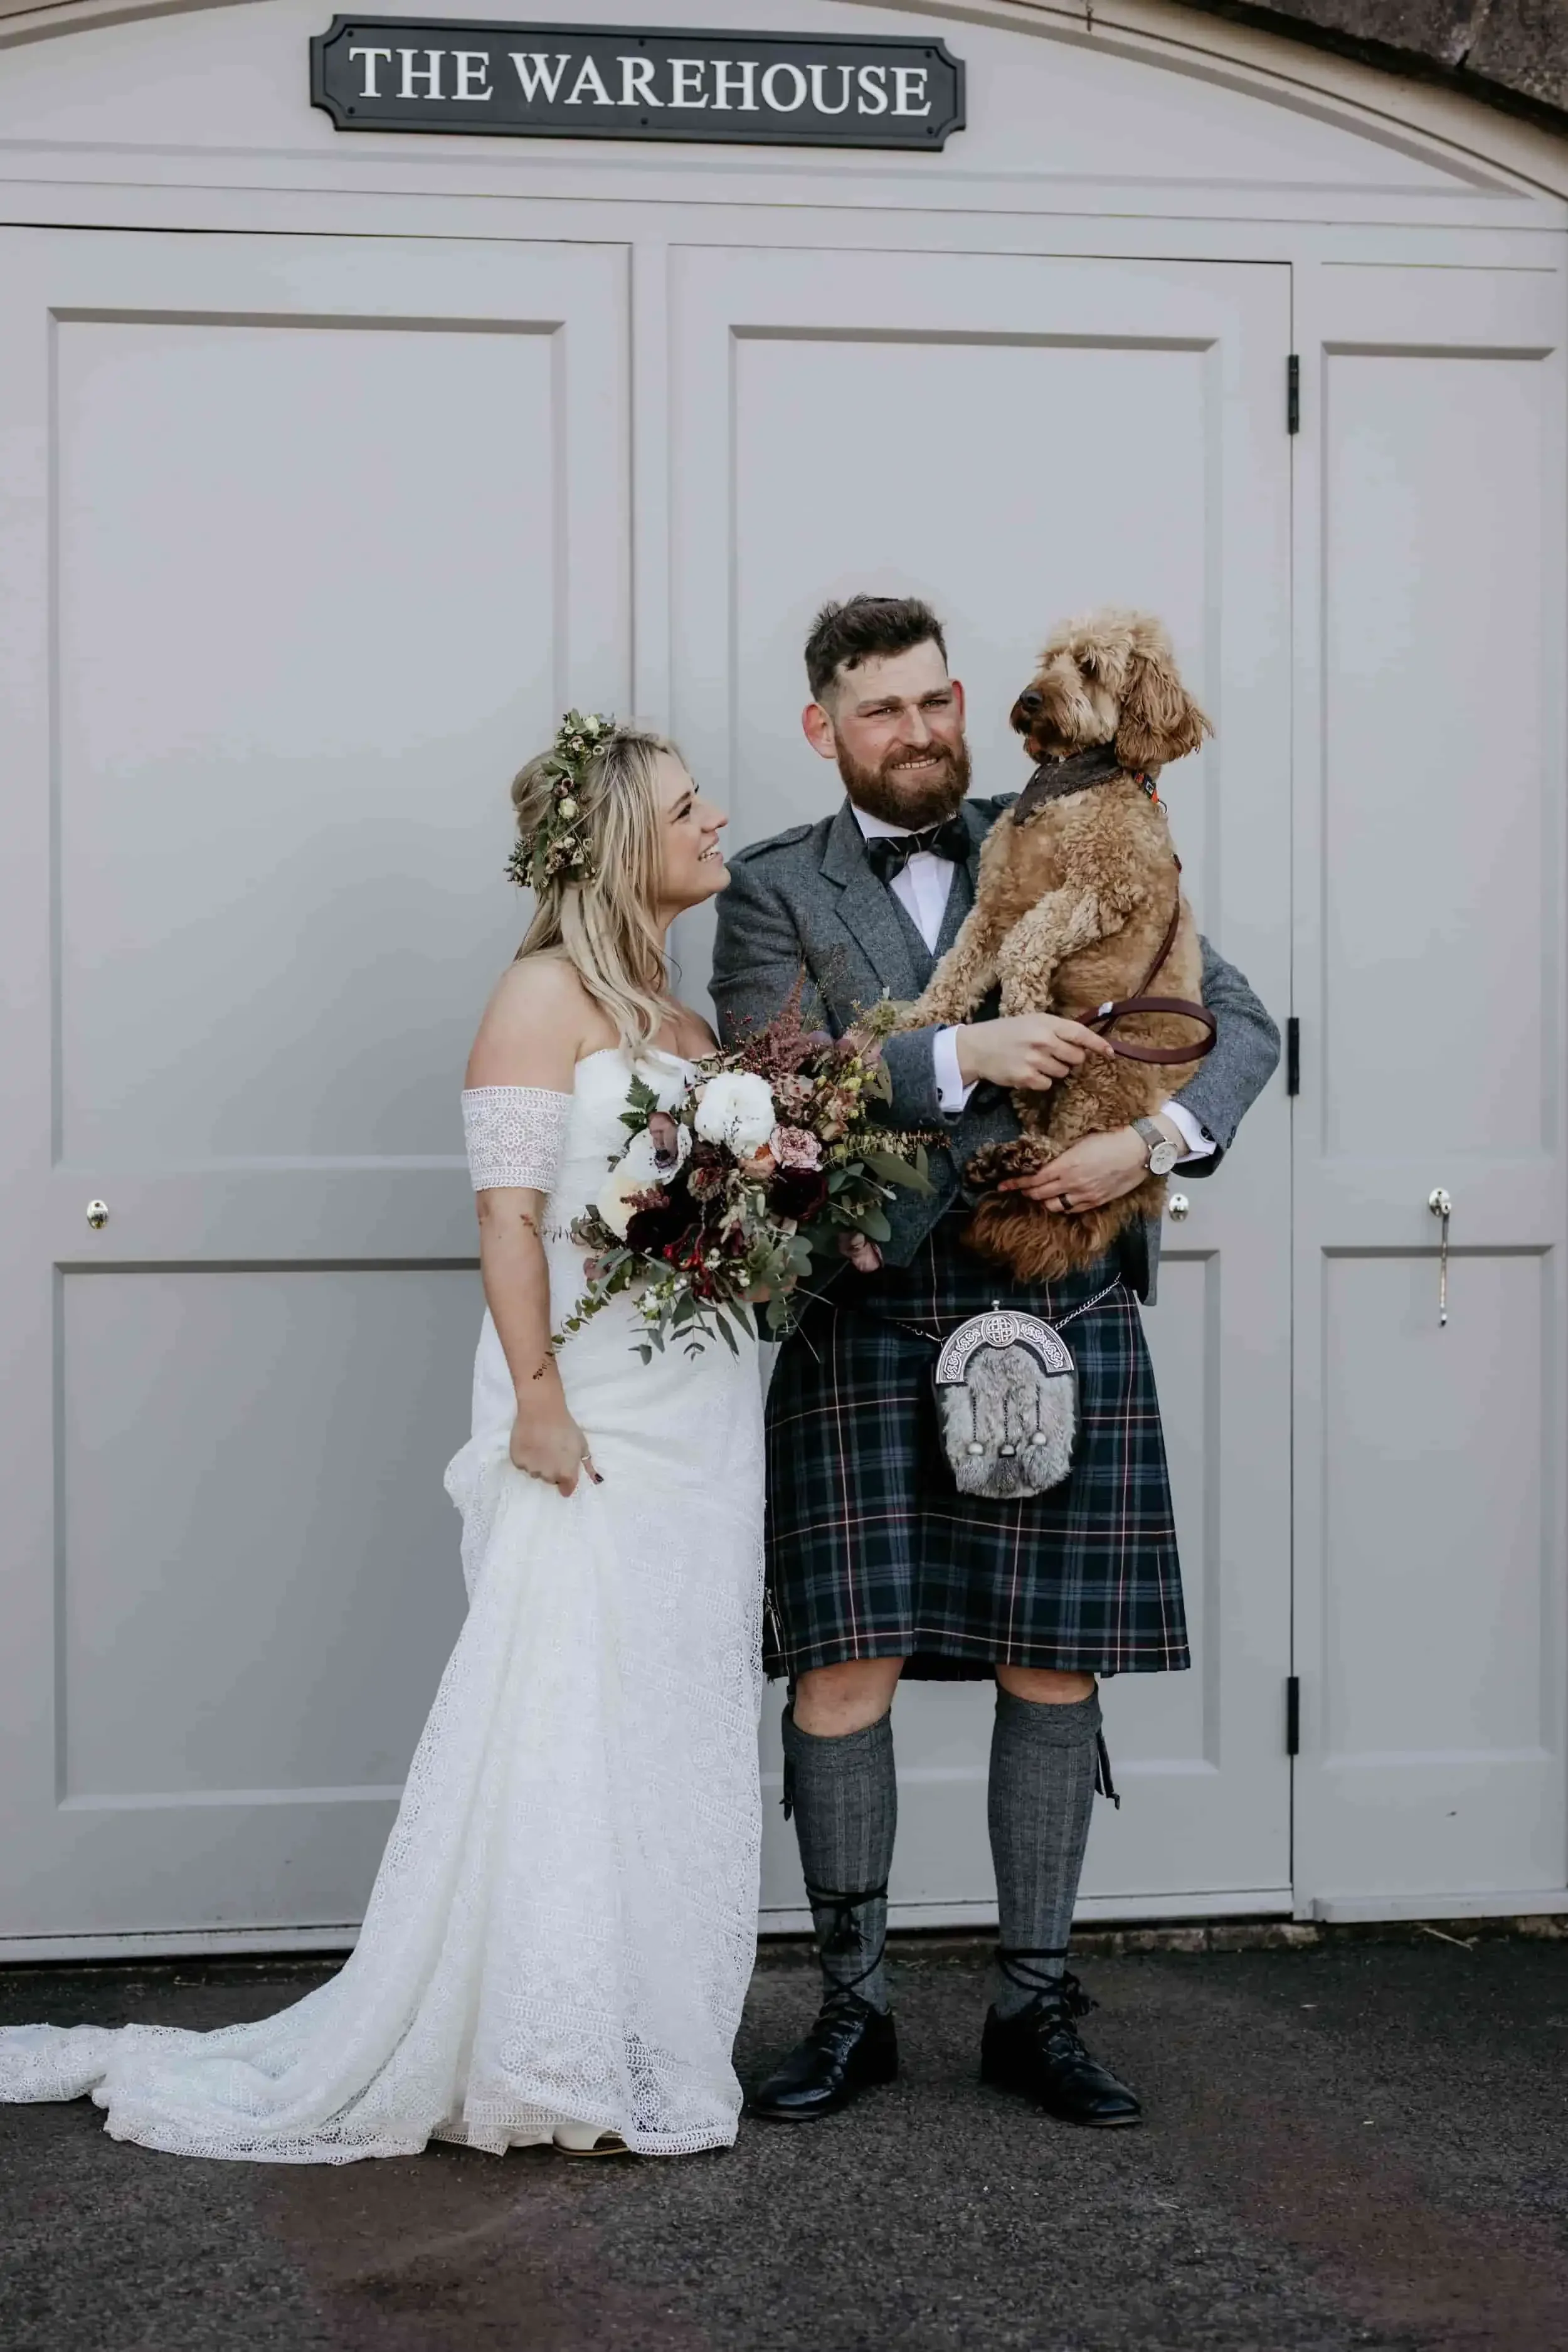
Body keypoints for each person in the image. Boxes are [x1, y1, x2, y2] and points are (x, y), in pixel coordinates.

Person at [0, 721, 765, 2161]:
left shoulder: (682, 1014)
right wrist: (538, 1393)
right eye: (686, 806)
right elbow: (503, 1211)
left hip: (699, 1412)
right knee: (561, 1697)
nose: (716, 819)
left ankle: (630, 2019)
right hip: (588, 1407)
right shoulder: (539, 998)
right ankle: (540, 2045)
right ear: (616, 842)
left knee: (664, 1701)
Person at [710, 596, 1279, 2129]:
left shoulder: (1075, 824)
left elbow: (1236, 1022)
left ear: (966, 701)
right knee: (843, 1667)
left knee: (1053, 1660)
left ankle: (1033, 2009)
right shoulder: (771, 889)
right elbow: (765, 1076)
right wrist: (959, 1055)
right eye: (881, 713)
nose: (922, 735)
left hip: (1062, 1296)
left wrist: (1145, 1148)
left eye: (934, 702)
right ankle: (850, 2014)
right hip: (869, 1312)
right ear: (826, 729)